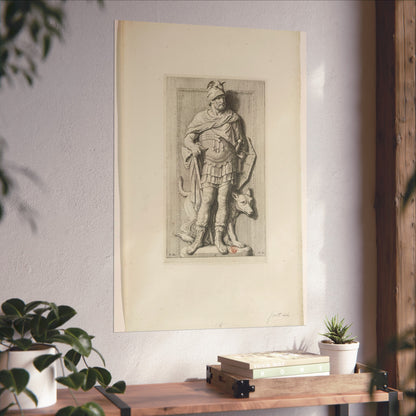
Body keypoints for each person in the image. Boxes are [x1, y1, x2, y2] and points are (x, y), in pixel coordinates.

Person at [182, 81, 247, 255]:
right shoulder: (201, 118)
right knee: (207, 200)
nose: (221, 101)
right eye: (217, 99)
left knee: (223, 200)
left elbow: (240, 141)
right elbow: (188, 138)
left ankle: (219, 238)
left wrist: (238, 144)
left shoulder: (233, 118)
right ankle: (199, 239)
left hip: (227, 164)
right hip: (209, 164)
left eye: (223, 98)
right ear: (210, 101)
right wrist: (193, 146)